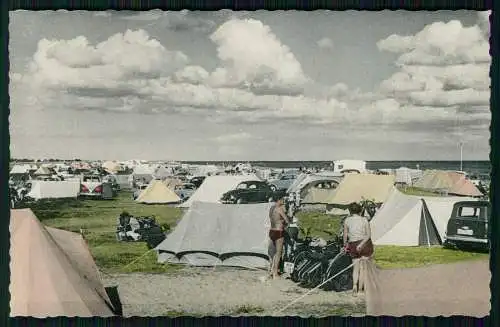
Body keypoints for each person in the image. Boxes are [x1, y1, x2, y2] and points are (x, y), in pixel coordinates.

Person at [343, 202, 374, 294]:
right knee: (363, 269)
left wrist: (345, 245)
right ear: (360, 210)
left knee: (355, 268)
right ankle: (360, 289)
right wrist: (362, 244)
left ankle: (354, 286)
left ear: (350, 211)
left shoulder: (347, 220)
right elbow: (368, 235)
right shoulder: (364, 220)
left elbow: (345, 235)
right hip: (364, 244)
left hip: (353, 244)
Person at [268, 196, 291, 279]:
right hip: (279, 231)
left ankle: (271, 270)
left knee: (272, 252)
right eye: (282, 200)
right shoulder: (279, 209)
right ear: (279, 200)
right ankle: (275, 273)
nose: (283, 201)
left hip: (272, 231)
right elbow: (287, 220)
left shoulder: (271, 208)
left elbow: (272, 219)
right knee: (278, 253)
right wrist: (285, 221)